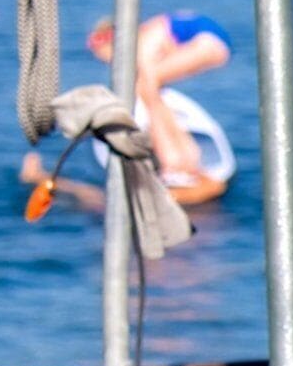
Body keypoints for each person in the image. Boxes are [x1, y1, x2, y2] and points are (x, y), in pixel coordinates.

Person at [21, 11, 239, 215]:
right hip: (212, 43)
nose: (104, 60)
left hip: (210, 44)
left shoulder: (141, 41)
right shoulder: (151, 35)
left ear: (109, 41)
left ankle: (176, 161)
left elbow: (147, 77)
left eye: (100, 51)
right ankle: (180, 156)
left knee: (144, 83)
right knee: (148, 87)